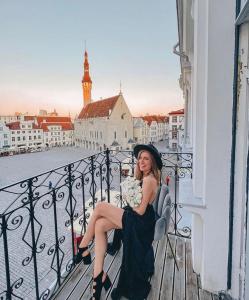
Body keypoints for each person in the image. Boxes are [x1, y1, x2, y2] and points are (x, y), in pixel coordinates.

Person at [74, 144, 163, 300]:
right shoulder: (146, 177)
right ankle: (98, 276)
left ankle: (83, 247)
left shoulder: (149, 180)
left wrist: (129, 198)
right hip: (139, 219)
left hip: (140, 223)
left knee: (100, 207)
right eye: (140, 158)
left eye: (146, 159)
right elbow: (140, 204)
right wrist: (132, 190)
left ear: (152, 162)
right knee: (100, 225)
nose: (141, 162)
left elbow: (141, 210)